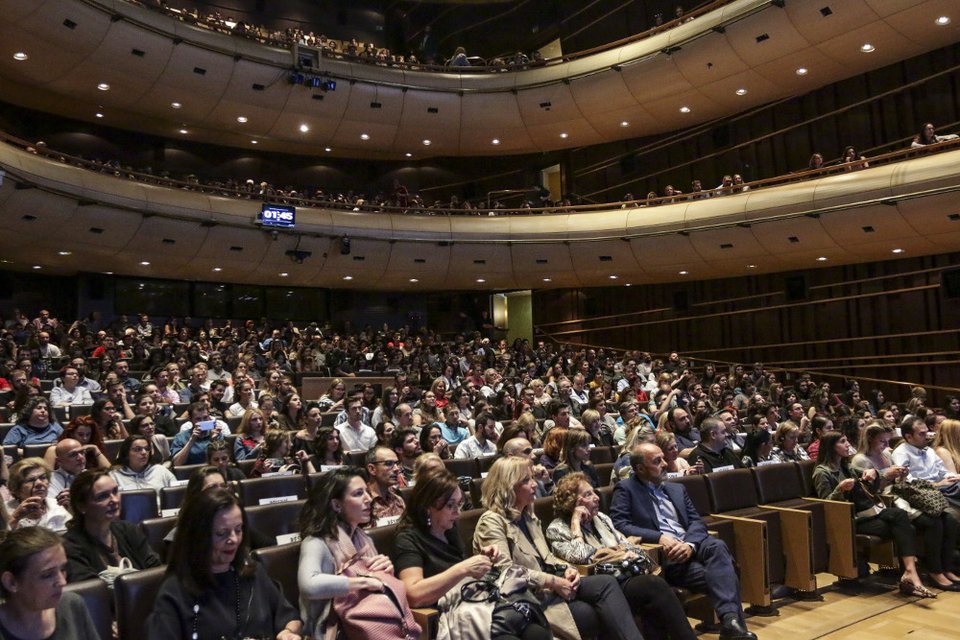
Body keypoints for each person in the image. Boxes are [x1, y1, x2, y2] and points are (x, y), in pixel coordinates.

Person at [474, 456, 645, 640]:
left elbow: (547, 558)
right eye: (526, 480)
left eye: (532, 478)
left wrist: (568, 570)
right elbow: (505, 572)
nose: (534, 484)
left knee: (605, 583)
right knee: (586, 613)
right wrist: (553, 582)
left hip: (548, 586)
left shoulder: (528, 517)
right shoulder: (491, 521)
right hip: (525, 595)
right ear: (507, 487)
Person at [610, 443, 756, 640]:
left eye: (663, 458)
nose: (665, 463)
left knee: (717, 546)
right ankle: (732, 626)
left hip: (690, 545)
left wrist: (689, 544)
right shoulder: (626, 489)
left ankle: (730, 626)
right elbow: (621, 525)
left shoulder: (676, 488)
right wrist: (659, 537)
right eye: (657, 461)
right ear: (640, 469)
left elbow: (696, 521)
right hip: (667, 556)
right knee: (727, 576)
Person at [546, 472, 696, 640]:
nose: (596, 497)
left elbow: (633, 549)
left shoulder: (601, 519)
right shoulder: (557, 529)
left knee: (654, 587)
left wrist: (618, 552)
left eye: (594, 492)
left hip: (623, 576)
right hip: (597, 585)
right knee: (653, 587)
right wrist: (576, 524)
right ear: (572, 501)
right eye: (588, 495)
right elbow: (581, 556)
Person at [146, 487, 303, 639]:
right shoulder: (175, 592)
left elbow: (289, 617)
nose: (234, 539)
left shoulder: (253, 572)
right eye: (222, 533)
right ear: (199, 536)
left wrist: (288, 632)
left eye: (238, 529)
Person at [813, 432, 938, 598]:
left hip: (868, 512)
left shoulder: (847, 466)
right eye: (842, 441)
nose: (847, 444)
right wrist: (840, 489)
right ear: (831, 446)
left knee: (900, 516)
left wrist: (872, 473)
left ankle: (909, 572)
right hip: (849, 520)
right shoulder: (822, 472)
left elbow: (873, 473)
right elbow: (826, 503)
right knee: (904, 527)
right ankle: (909, 575)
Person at [298, 467, 415, 640]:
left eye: (367, 492)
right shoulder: (316, 542)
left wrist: (386, 570)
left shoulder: (364, 538)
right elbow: (309, 585)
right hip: (332, 631)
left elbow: (379, 585)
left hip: (370, 623)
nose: (368, 499)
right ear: (336, 504)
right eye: (358, 493)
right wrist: (363, 581)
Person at [852, 423, 960, 590]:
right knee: (934, 522)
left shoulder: (886, 454)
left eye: (887, 441)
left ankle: (946, 568)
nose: (886, 446)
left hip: (903, 496)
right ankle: (934, 572)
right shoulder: (860, 460)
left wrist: (901, 475)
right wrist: (886, 476)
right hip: (883, 503)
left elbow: (900, 483)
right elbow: (866, 492)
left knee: (949, 519)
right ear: (869, 440)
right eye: (882, 441)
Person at [0, 526, 100, 639]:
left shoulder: (72, 605)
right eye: (47, 575)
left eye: (62, 569)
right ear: (11, 582)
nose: (62, 582)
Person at [63, 470, 162, 582]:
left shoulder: (129, 530)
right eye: (102, 496)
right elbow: (91, 590)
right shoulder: (70, 546)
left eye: (115, 491)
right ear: (82, 506)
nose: (115, 500)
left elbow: (156, 569)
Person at [6, 458, 71, 533]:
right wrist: (15, 518)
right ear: (16, 489)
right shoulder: (5, 512)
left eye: (43, 478)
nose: (39, 483)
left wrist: (72, 510)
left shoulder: (58, 505)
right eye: (30, 480)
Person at [110, 435, 177, 491]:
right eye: (138, 449)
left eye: (147, 449)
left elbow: (176, 493)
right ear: (126, 454)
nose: (144, 452)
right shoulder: (115, 475)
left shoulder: (161, 471)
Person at [364, 446, 405, 527]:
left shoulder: (398, 499)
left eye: (397, 463)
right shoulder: (363, 502)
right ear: (372, 469)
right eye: (389, 463)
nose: (397, 469)